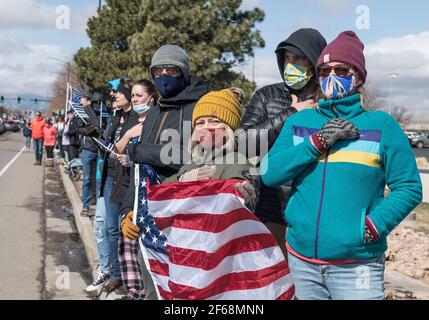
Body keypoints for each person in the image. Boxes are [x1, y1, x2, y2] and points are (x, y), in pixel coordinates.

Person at [261, 31, 423, 300]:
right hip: (302, 264)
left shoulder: (381, 125)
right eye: (324, 70)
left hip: (357, 267)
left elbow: (408, 187)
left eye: (340, 69)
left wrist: (372, 226)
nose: (331, 76)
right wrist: (315, 143)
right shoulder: (300, 122)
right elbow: (269, 172)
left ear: (358, 76)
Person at [121, 88, 256, 300]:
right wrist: (142, 212)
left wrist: (241, 193)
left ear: (228, 128)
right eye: (200, 123)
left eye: (213, 121)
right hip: (183, 259)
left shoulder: (236, 160)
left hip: (213, 265)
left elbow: (241, 193)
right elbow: (163, 193)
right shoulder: (192, 162)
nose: (206, 128)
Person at [120, 44, 209, 300]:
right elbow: (139, 171)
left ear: (184, 72)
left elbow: (195, 157)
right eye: (157, 71)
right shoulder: (155, 110)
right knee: (152, 289)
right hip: (148, 219)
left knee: (182, 293)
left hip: (184, 220)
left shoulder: (200, 108)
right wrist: (130, 209)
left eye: (171, 69)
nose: (164, 76)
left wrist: (145, 151)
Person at [236, 28, 327, 259]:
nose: (291, 64)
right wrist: (290, 113)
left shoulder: (328, 99)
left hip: (314, 211)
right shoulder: (267, 95)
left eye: (299, 58)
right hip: (271, 209)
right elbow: (243, 143)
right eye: (286, 58)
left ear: (315, 61)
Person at [78, 95, 99, 217]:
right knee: (86, 180)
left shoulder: (101, 112)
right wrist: (87, 130)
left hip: (99, 151)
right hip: (87, 151)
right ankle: (85, 206)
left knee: (98, 180)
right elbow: (80, 128)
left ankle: (97, 205)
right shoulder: (83, 114)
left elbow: (98, 125)